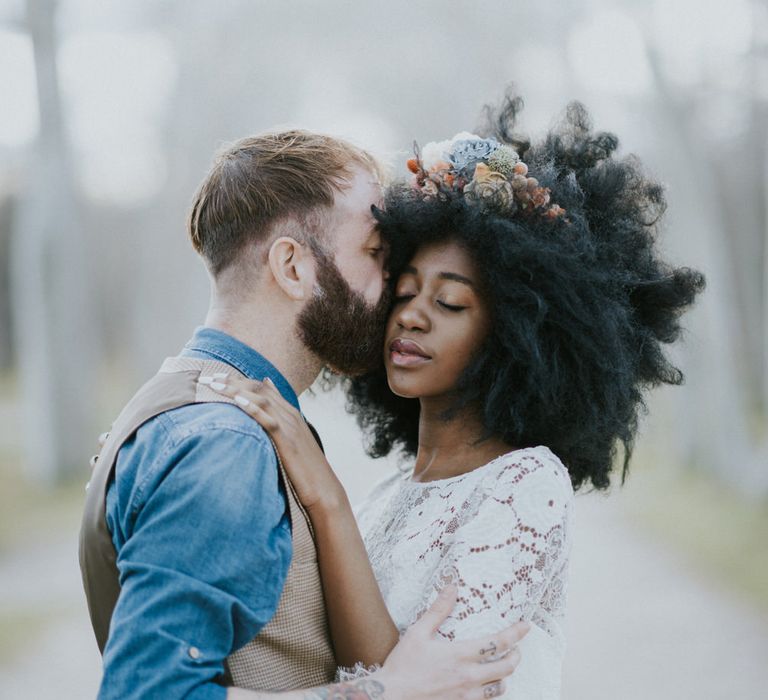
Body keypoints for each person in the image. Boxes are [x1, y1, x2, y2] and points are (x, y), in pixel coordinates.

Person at [207, 96, 705, 699]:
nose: (413, 317)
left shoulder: (526, 484)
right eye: (405, 293)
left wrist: (326, 499)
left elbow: (425, 689)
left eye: (449, 303)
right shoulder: (387, 498)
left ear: (513, 336)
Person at [79, 130, 529, 700]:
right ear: (293, 266)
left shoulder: (184, 406)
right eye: (373, 254)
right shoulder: (222, 443)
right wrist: (382, 692)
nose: (392, 288)